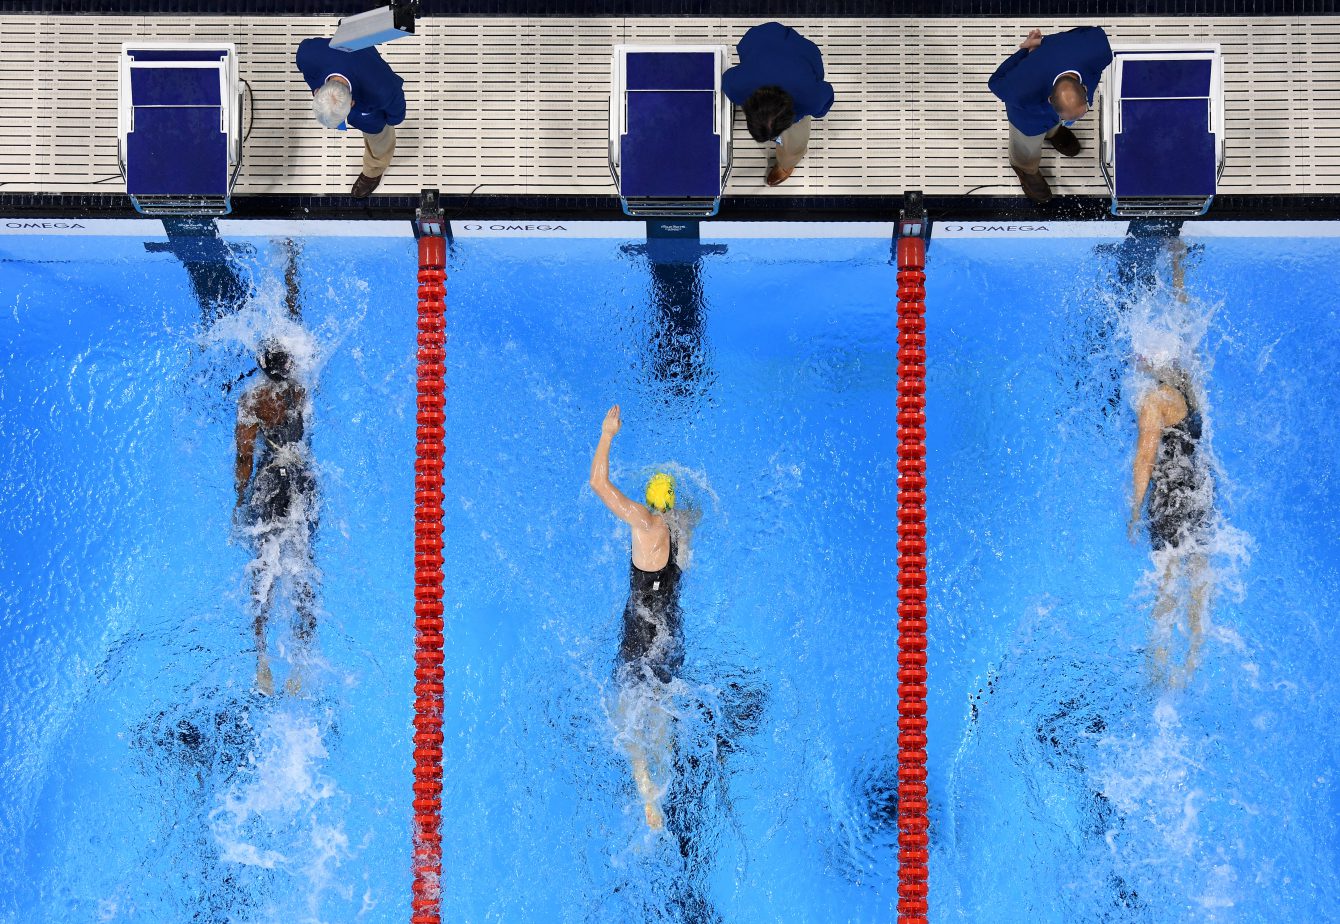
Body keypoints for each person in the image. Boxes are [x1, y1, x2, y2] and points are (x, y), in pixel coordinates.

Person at [590, 404, 697, 831]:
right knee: (663, 701)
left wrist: (607, 433)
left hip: (640, 631)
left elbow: (599, 483)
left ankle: (645, 787)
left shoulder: (647, 524)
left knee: (626, 706)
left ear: (650, 505)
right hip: (671, 631)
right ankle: (667, 775)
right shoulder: (683, 525)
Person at [1127, 241, 1213, 688]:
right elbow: (1184, 316)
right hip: (1199, 486)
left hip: (1169, 495)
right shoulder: (1189, 382)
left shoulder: (1154, 402)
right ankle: (1195, 658)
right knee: (1199, 568)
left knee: (1166, 577)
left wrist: (1134, 512)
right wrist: (1178, 268)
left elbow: (1145, 459)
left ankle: (1158, 667)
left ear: (1147, 362)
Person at [234, 341, 318, 695]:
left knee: (265, 569)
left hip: (271, 486)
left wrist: (239, 501)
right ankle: (300, 663)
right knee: (303, 567)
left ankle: (262, 659)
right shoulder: (301, 388)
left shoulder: (253, 400)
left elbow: (244, 461)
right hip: (304, 482)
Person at [988, 26, 1113, 204]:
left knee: (1057, 123)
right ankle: (1025, 169)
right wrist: (1025, 53)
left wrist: (1042, 42)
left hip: (1051, 110)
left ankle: (1053, 132)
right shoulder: (1019, 88)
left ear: (1084, 89)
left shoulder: (1096, 50)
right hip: (1029, 120)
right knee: (1025, 149)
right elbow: (995, 82)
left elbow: (1084, 33)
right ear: (1049, 100)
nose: (1078, 119)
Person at [722, 22, 835, 187]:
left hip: (786, 46)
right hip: (762, 38)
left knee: (794, 143)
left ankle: (786, 164)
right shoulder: (738, 85)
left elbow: (823, 102)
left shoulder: (810, 96)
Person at [296, 37, 406, 198]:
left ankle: (374, 169)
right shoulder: (307, 55)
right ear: (317, 91)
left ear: (353, 103)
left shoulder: (381, 89)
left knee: (380, 140)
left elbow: (396, 114)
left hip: (372, 114)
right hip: (349, 57)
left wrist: (389, 121)